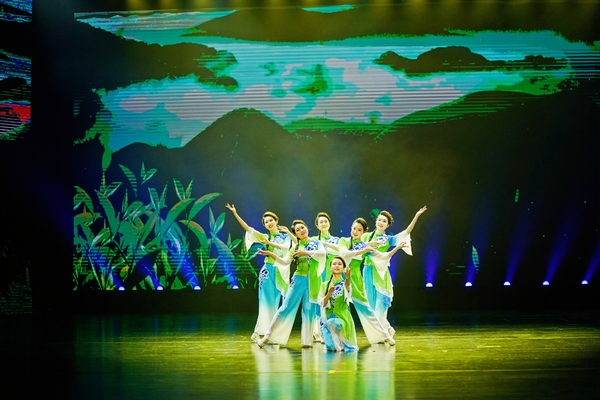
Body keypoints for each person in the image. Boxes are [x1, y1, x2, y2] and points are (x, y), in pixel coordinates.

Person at [225, 204, 291, 342]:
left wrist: (269, 244)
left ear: (276, 221)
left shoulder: (285, 237)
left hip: (281, 272)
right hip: (267, 271)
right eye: (266, 222)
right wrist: (235, 213)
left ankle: (270, 333)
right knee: (266, 303)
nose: (269, 223)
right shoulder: (264, 236)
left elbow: (286, 248)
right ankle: (257, 332)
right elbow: (248, 229)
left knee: (276, 303)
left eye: (271, 220)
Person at [256, 220, 326, 348]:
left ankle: (307, 342)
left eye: (302, 227)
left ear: (307, 228)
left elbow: (322, 253)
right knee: (285, 307)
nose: (301, 230)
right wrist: (270, 254)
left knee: (309, 310)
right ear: (296, 234)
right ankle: (267, 336)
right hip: (299, 280)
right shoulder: (295, 248)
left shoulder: (317, 243)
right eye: (298, 230)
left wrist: (305, 253)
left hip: (314, 281)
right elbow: (284, 262)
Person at [361, 207, 428, 337]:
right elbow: (357, 248)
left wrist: (416, 216)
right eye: (379, 220)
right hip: (368, 271)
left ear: (387, 225)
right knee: (371, 305)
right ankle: (387, 328)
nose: (381, 222)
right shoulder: (366, 236)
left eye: (384, 221)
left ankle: (382, 334)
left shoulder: (388, 239)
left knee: (380, 304)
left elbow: (406, 232)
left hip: (381, 273)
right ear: (376, 221)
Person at [336, 218, 396, 345]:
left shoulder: (365, 246)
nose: (355, 231)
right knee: (338, 308)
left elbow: (381, 256)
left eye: (359, 230)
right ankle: (338, 339)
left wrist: (396, 249)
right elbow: (344, 254)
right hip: (340, 279)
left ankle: (384, 335)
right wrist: (364, 249)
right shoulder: (344, 241)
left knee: (367, 309)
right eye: (354, 228)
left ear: (363, 233)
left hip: (355, 279)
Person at [319, 256, 358, 352]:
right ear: (330, 267)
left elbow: (347, 286)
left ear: (343, 268)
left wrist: (348, 278)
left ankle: (340, 346)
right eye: (334, 264)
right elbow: (322, 304)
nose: (337, 266)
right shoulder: (324, 285)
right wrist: (329, 293)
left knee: (331, 322)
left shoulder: (345, 284)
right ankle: (336, 345)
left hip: (342, 319)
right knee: (330, 347)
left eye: (340, 264)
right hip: (328, 318)